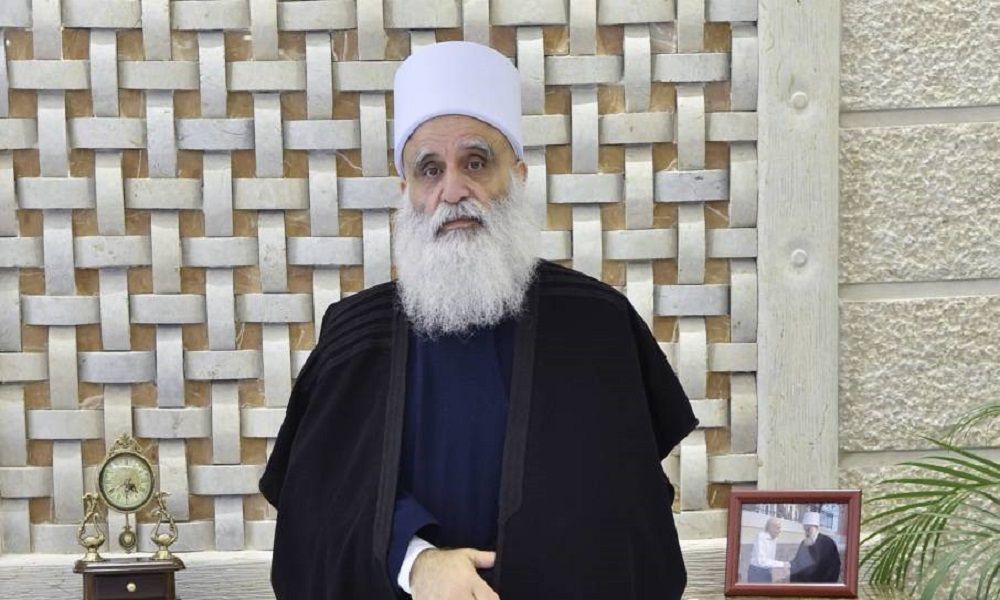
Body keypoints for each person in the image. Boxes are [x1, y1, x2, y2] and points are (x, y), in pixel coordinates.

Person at [259, 40, 700, 600]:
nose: (453, 191)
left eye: (475, 162)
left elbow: (631, 520)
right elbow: (319, 508)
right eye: (430, 169)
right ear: (406, 192)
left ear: (517, 175)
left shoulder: (598, 326)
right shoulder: (355, 335)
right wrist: (414, 561)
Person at [789, 511, 842, 583]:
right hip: (804, 585)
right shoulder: (803, 543)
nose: (806, 532)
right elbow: (797, 563)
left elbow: (834, 567)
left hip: (821, 584)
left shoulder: (828, 543)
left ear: (816, 528)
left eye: (809, 529)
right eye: (805, 529)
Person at [747, 517, 790, 582]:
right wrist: (782, 564)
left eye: (780, 528)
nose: (780, 531)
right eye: (778, 528)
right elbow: (761, 561)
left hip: (767, 571)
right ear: (771, 528)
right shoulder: (761, 537)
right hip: (757, 572)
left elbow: (769, 560)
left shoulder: (774, 537)